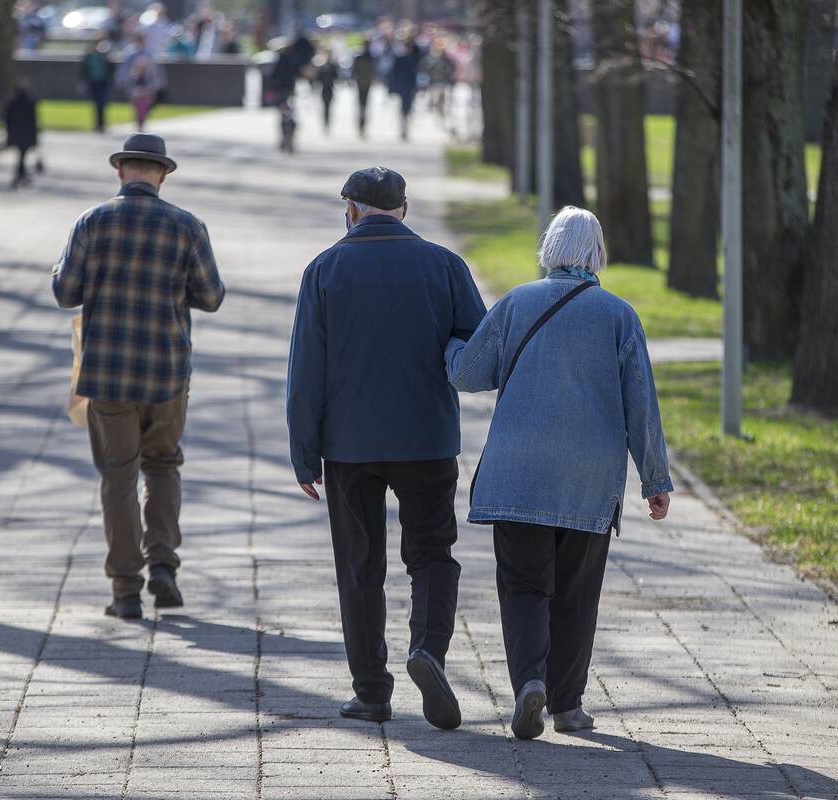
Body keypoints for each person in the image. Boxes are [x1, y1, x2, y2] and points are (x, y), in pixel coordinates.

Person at [444, 207, 673, 740]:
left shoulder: (516, 303)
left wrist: (449, 341)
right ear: (598, 256)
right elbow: (642, 407)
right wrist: (656, 480)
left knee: (523, 587)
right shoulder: (619, 316)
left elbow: (466, 373)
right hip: (587, 483)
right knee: (577, 591)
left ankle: (529, 682)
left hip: (518, 475)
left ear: (548, 251)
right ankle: (568, 706)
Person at [287, 167, 487, 730]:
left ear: (351, 209)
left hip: (349, 445)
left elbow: (306, 370)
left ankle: (372, 691)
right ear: (404, 208)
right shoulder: (444, 266)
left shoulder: (324, 270)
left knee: (359, 565)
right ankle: (427, 648)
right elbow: (478, 347)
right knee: (432, 553)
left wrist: (304, 451)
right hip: (426, 437)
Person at [52, 133, 225, 620]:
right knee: (164, 465)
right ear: (162, 174)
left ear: (121, 170)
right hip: (167, 372)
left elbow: (65, 292)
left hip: (106, 373)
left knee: (118, 476)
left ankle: (126, 589)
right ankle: (164, 565)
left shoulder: (92, 222)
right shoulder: (186, 227)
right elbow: (211, 297)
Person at [4, 79, 39, 189]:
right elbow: (33, 120)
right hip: (25, 133)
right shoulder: (29, 103)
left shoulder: (12, 102)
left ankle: (20, 175)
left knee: (21, 155)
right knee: (22, 155)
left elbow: (6, 118)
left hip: (16, 133)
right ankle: (20, 175)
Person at [389, 32, 423, 141]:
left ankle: (405, 127)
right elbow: (394, 74)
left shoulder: (412, 59)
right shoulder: (400, 59)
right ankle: (404, 127)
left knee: (406, 108)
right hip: (404, 86)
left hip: (408, 86)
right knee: (404, 108)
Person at [81, 38, 114, 132]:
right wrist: (83, 82)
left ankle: (102, 124)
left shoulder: (104, 55)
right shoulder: (89, 56)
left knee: (102, 103)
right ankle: (98, 124)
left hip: (102, 82)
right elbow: (84, 69)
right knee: (96, 104)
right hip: (93, 82)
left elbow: (110, 68)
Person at [351, 46, 375, 138]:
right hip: (363, 83)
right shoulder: (369, 58)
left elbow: (354, 71)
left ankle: (361, 125)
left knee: (362, 105)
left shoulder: (361, 58)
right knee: (364, 105)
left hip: (362, 83)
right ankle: (361, 125)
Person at [315, 50, 338, 133]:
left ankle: (327, 123)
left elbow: (336, 77)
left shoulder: (333, 67)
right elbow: (318, 78)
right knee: (325, 107)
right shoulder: (322, 67)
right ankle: (325, 122)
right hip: (324, 90)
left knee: (328, 107)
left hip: (330, 90)